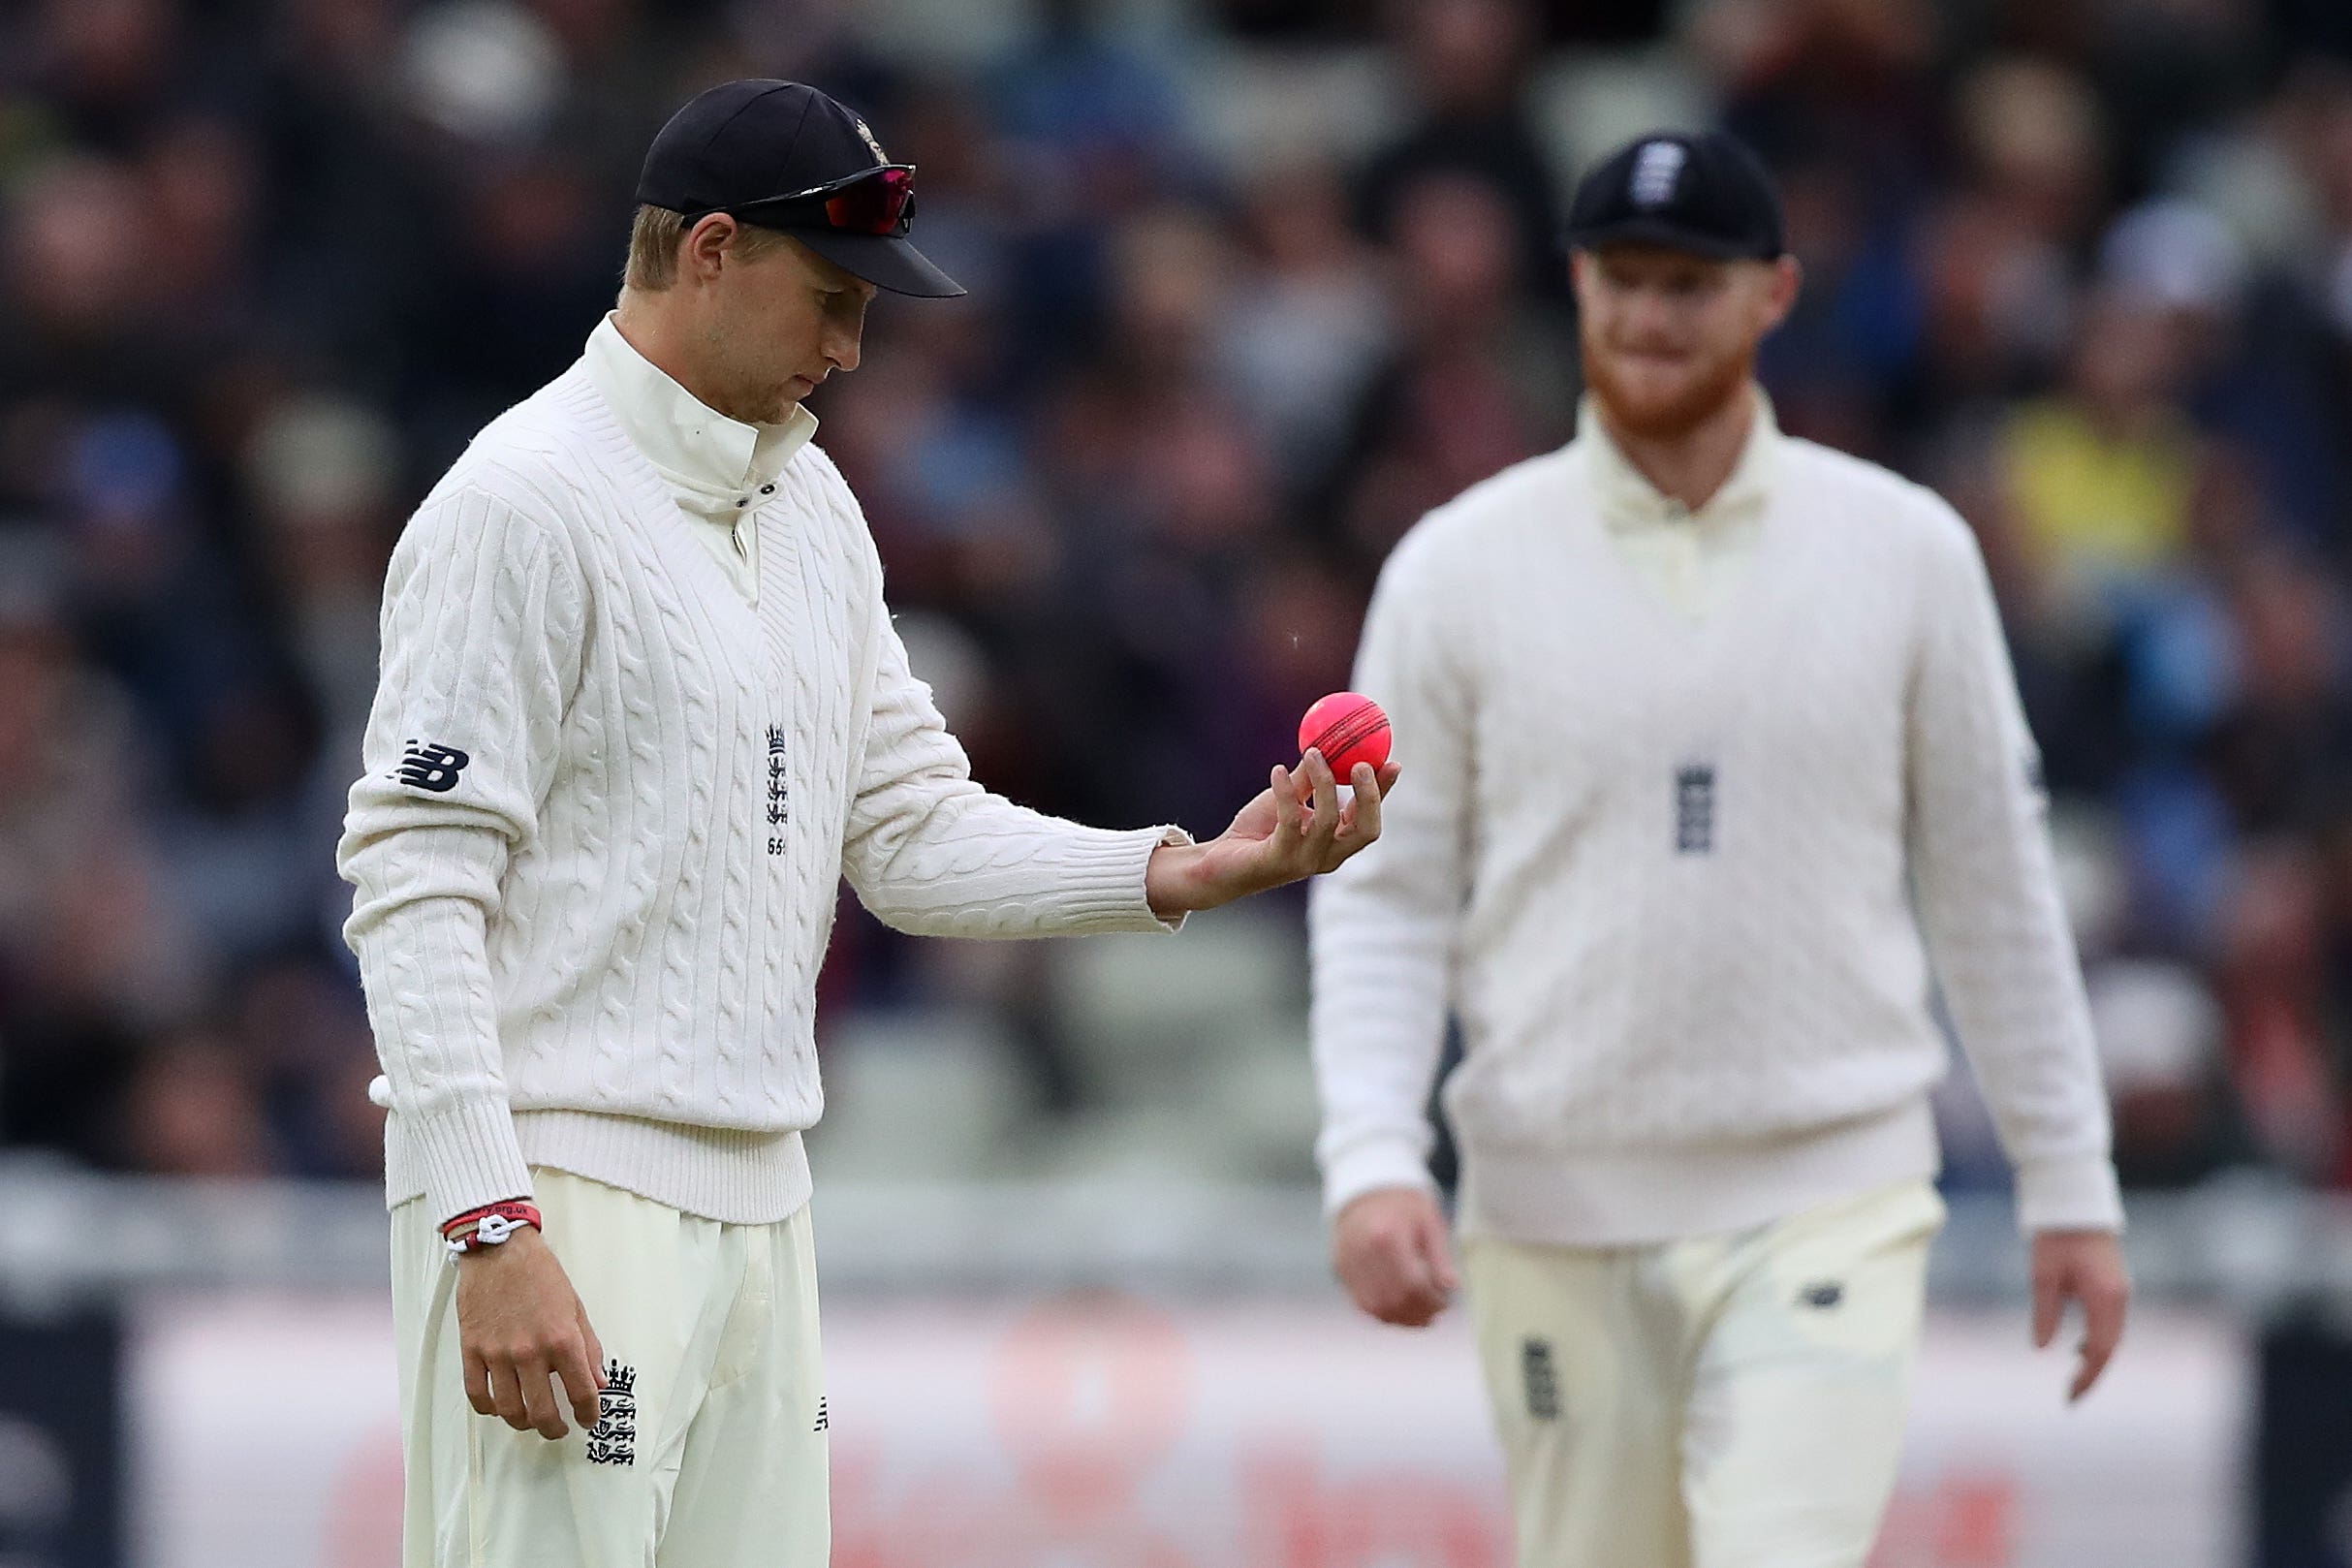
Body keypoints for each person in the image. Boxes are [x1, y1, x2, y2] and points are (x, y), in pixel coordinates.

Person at [337, 79, 1399, 1568]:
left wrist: (1183, 867)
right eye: (831, 299)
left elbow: (906, 833)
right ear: (709, 253)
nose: (848, 350)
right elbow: (413, 879)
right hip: (565, 1192)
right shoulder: (518, 503)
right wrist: (490, 1224)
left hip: (763, 1199)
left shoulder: (813, 506)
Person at [1306, 129, 2129, 1568]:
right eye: (1622, 278)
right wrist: (1372, 1151)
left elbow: (1994, 882)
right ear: (1573, 285)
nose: (1649, 314)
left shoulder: (1905, 550)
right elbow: (1384, 893)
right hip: (1553, 1203)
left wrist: (2071, 1181)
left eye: (1691, 283)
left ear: (1775, 295)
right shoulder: (1456, 566)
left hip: (1829, 1189)